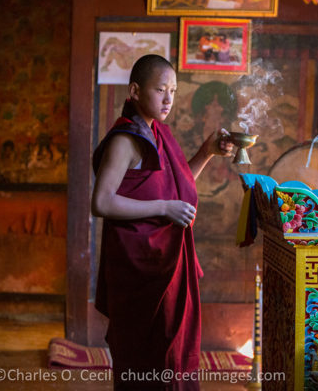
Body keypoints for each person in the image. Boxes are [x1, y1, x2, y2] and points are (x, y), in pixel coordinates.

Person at [91, 54, 233, 390]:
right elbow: (101, 202)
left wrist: (208, 151)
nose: (168, 99)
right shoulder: (125, 140)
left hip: (166, 265)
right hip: (139, 270)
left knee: (172, 355)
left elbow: (179, 187)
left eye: (173, 90)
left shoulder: (160, 134)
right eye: (160, 90)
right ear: (136, 91)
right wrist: (163, 208)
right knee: (145, 358)